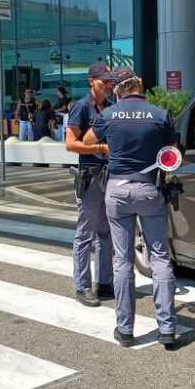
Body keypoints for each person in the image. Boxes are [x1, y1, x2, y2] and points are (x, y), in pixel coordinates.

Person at [83, 67, 179, 350]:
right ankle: (168, 329)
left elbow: (88, 142)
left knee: (122, 260)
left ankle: (125, 330)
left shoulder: (108, 115)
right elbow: (173, 152)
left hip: (118, 189)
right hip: (149, 189)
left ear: (118, 90)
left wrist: (111, 145)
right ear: (141, 85)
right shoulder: (160, 115)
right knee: (160, 257)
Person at [64, 62, 115, 307]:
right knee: (85, 233)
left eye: (109, 81)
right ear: (91, 81)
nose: (108, 85)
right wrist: (98, 148)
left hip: (108, 174)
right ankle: (83, 286)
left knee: (106, 233)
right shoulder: (81, 108)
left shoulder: (111, 107)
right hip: (89, 174)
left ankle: (104, 282)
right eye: (103, 81)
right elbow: (70, 144)